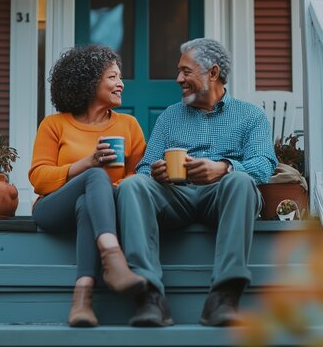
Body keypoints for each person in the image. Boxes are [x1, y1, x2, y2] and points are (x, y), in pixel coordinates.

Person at [117, 38, 277, 327]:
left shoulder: (250, 116)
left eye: (186, 71)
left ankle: (224, 296)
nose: (179, 79)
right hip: (175, 197)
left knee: (241, 182)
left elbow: (264, 164)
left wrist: (224, 168)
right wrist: (156, 172)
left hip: (222, 197)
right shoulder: (169, 117)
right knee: (131, 186)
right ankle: (149, 295)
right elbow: (142, 169)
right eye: (179, 71)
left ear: (212, 73)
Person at [28, 45, 147, 327]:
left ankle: (82, 301)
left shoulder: (129, 125)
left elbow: (139, 174)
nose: (121, 84)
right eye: (113, 77)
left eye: (120, 78)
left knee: (88, 201)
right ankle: (113, 259)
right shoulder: (54, 124)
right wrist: (87, 163)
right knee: (95, 176)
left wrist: (111, 190)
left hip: (102, 207)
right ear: (90, 81)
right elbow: (38, 178)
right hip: (53, 207)